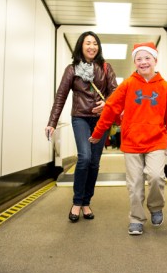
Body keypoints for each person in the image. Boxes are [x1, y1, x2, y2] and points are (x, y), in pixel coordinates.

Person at [89, 42, 167, 235]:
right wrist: (98, 133)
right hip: (131, 141)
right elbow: (111, 107)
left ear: (155, 60)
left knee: (156, 176)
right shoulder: (128, 84)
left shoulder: (165, 87)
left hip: (156, 140)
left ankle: (156, 206)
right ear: (135, 62)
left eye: (147, 58)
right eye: (139, 59)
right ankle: (136, 218)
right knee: (135, 183)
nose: (143, 62)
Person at [46, 31, 118, 223]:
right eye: (88, 43)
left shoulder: (105, 68)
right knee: (84, 157)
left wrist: (107, 104)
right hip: (80, 118)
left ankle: (87, 202)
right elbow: (60, 96)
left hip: (101, 120)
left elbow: (116, 93)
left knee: (94, 162)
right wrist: (52, 122)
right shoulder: (72, 69)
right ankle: (77, 202)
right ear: (81, 46)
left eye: (95, 43)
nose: (92, 47)